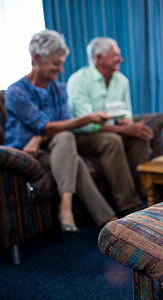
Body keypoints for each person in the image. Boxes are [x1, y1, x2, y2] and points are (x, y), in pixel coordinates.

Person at [4, 29, 117, 232]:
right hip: (25, 155)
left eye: (62, 62)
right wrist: (87, 118)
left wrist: (39, 137)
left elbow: (60, 125)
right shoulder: (16, 92)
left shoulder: (58, 89)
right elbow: (47, 126)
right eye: (56, 63)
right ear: (37, 58)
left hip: (55, 150)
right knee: (73, 156)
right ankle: (109, 222)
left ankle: (70, 209)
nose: (61, 69)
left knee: (66, 140)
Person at [67, 37, 152, 216]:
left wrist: (127, 121)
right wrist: (123, 130)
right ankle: (130, 205)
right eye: (115, 55)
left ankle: (146, 195)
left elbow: (126, 110)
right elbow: (87, 123)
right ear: (99, 58)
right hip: (83, 135)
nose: (120, 59)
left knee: (139, 138)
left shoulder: (121, 80)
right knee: (112, 141)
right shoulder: (78, 80)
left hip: (112, 130)